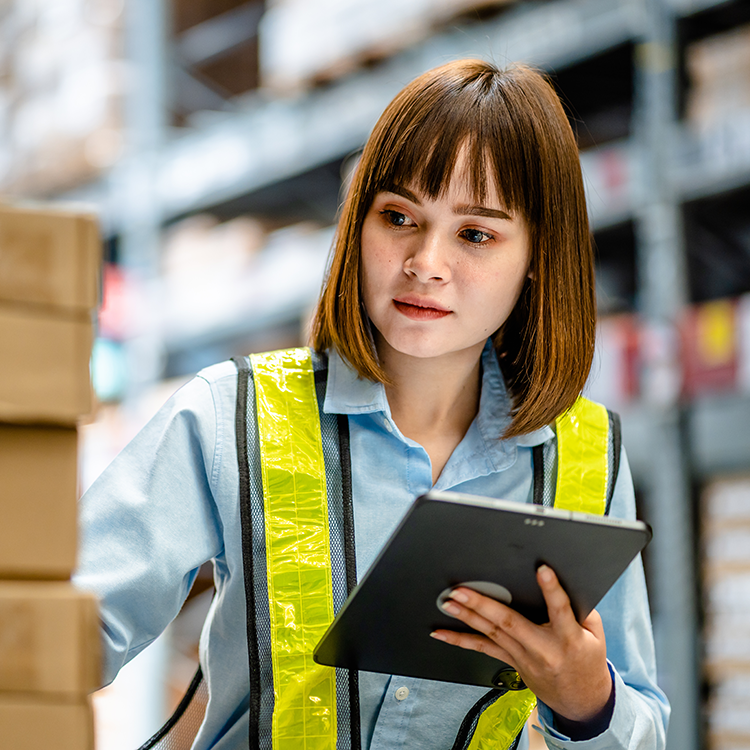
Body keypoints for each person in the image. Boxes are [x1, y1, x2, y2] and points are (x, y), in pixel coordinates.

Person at [74, 59, 670, 750]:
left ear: (538, 254)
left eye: (475, 234)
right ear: (359, 225)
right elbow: (65, 632)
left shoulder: (588, 458)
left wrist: (587, 702)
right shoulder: (229, 415)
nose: (425, 261)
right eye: (398, 217)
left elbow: (645, 726)